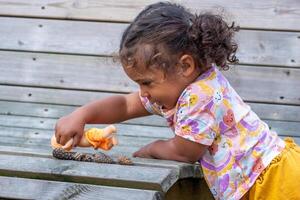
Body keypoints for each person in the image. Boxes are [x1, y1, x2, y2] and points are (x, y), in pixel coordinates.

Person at [54, 2, 300, 200]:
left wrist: (150, 150)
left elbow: (184, 152)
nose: (143, 92)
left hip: (276, 183)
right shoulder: (177, 86)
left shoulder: (200, 95)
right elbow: (126, 105)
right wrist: (81, 115)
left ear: (185, 65)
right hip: (261, 180)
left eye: (147, 83)